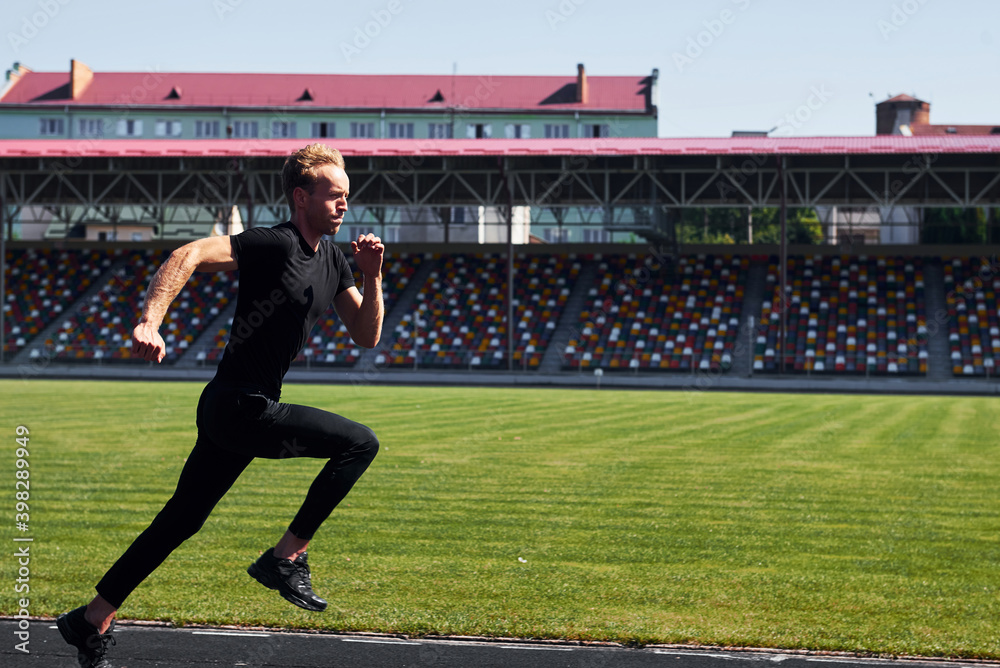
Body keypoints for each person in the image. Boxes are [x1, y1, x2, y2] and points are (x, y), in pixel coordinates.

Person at [57, 143, 384, 668]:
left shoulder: (336, 262)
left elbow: (366, 337)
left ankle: (90, 619)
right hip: (239, 406)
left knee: (180, 521)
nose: (344, 205)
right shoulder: (271, 244)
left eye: (347, 196)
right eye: (334, 196)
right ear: (301, 198)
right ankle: (285, 558)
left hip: (234, 410)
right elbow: (187, 254)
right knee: (359, 442)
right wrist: (150, 321)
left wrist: (372, 275)